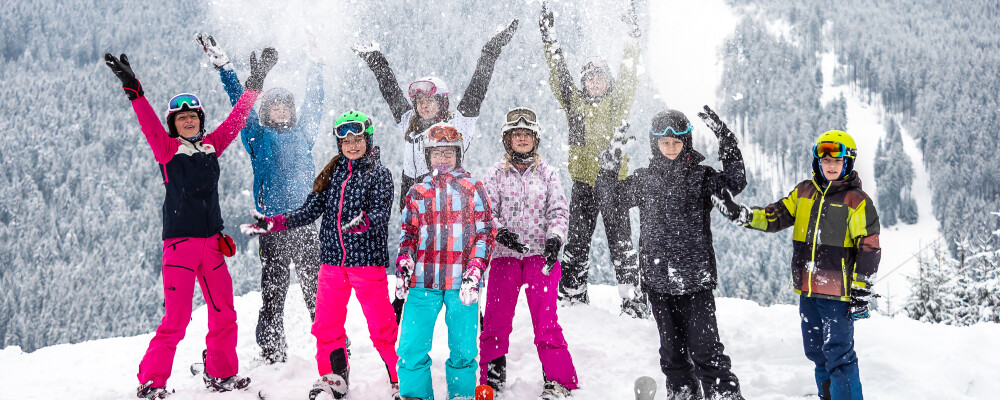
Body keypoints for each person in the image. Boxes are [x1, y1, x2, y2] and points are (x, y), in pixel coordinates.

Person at [104, 48, 277, 399]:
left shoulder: (212, 145)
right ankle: (151, 382)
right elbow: (148, 123)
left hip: (212, 245)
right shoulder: (167, 149)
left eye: (193, 116)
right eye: (181, 117)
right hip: (180, 246)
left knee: (224, 313)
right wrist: (134, 89)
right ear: (173, 124)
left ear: (200, 119)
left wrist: (254, 86)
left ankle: (221, 373)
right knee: (177, 319)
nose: (188, 120)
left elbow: (236, 121)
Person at [241, 111, 400, 400]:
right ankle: (334, 377)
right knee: (326, 326)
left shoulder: (379, 174)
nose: (352, 145)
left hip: (366, 263)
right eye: (346, 141)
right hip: (332, 264)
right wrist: (275, 223)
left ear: (368, 140)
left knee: (382, 327)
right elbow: (309, 211)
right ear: (339, 144)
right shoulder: (333, 174)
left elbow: (381, 212)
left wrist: (364, 222)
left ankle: (400, 378)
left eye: (357, 139)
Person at [714, 130, 881, 400]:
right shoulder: (804, 192)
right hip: (808, 290)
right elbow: (775, 215)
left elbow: (869, 247)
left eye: (837, 161)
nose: (830, 166)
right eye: (825, 161)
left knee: (839, 356)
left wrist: (861, 288)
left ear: (848, 162)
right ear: (818, 162)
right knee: (817, 353)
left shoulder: (856, 201)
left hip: (838, 295)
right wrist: (743, 215)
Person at [195, 33, 324, 365]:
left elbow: (315, 102)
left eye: (285, 106)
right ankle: (271, 349)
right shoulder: (256, 136)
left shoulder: (303, 134)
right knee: (273, 292)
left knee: (317, 292)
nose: (280, 111)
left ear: (292, 112)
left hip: (304, 223)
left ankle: (332, 344)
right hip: (272, 227)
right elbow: (240, 105)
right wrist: (226, 69)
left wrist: (316, 64)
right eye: (274, 107)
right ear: (266, 112)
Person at [620, 108, 746, 400]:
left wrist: (726, 140)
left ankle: (723, 394)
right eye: (664, 142)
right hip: (658, 281)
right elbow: (611, 196)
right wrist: (613, 158)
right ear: (655, 143)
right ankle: (683, 393)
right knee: (672, 354)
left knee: (706, 350)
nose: (671, 147)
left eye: (676, 142)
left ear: (686, 142)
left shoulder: (702, 177)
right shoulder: (644, 179)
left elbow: (735, 182)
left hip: (695, 281)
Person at [539, 0, 648, 317]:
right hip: (584, 184)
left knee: (622, 245)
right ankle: (573, 297)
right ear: (584, 82)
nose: (595, 82)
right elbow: (559, 72)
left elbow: (629, 73)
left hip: (615, 186)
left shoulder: (618, 102)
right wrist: (549, 38)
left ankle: (632, 301)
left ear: (608, 82)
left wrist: (632, 36)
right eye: (590, 78)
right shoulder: (574, 103)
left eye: (600, 78)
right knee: (576, 243)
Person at [352, 19, 519, 210]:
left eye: (429, 100)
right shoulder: (409, 123)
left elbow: (477, 88)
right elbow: (390, 90)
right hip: (411, 201)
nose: (423, 106)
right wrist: (375, 59)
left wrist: (490, 51)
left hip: (444, 201)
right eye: (419, 101)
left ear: (442, 103)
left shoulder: (457, 124)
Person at [479, 108, 578, 399]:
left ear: (535, 139)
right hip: (504, 256)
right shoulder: (496, 173)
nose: (522, 139)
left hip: (541, 256)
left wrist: (555, 239)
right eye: (516, 134)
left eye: (527, 134)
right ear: (507, 140)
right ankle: (492, 381)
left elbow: (558, 210)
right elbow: (485, 210)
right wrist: (499, 231)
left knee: (546, 322)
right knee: (495, 321)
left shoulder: (547, 173)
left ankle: (558, 380)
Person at [394, 123, 495, 400]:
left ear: (458, 154)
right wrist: (404, 262)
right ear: (428, 156)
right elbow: (408, 234)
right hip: (423, 281)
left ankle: (461, 394)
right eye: (436, 152)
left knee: (463, 349)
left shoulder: (473, 188)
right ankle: (416, 395)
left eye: (449, 152)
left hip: (462, 283)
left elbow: (486, 233)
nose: (443, 158)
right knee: (411, 347)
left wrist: (475, 270)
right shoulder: (417, 191)